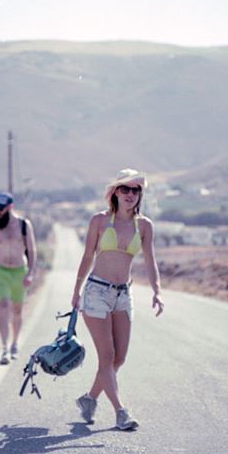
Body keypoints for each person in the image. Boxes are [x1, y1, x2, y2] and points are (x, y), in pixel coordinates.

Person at [71, 169, 163, 430]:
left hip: (124, 294)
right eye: (125, 189)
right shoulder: (99, 221)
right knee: (107, 355)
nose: (131, 194)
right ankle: (121, 412)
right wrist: (75, 291)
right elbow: (87, 257)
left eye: (136, 190)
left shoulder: (144, 226)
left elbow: (151, 260)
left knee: (119, 358)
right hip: (96, 292)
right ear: (115, 192)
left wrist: (157, 290)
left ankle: (89, 400)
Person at [0, 192, 37, 364]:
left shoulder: (23, 225)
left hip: (19, 272)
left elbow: (32, 251)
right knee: (4, 307)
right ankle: (4, 348)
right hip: (1, 272)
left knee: (17, 310)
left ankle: (15, 343)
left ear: (10, 206)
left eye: (2, 208)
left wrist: (31, 273)